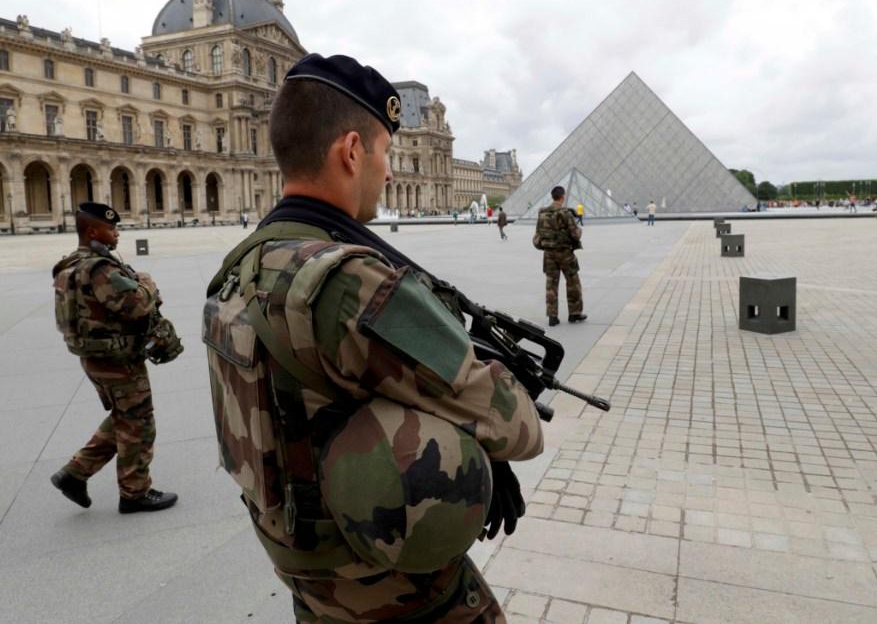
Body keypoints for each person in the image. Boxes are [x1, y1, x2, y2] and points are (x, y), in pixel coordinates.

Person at [203, 54, 544, 623]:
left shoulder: (243, 266)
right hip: (393, 594)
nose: (388, 172)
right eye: (385, 152)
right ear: (353, 151)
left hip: (308, 575)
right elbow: (517, 427)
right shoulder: (349, 284)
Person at [49, 202, 178, 513]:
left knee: (126, 414)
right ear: (93, 231)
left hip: (95, 357)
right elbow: (137, 305)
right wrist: (147, 284)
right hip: (117, 359)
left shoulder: (70, 264)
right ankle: (135, 493)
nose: (116, 234)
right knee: (139, 421)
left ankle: (75, 473)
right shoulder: (100, 269)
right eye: (111, 229)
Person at [533, 185, 586, 327]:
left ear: (553, 197)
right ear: (562, 196)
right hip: (565, 253)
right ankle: (574, 314)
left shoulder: (542, 213)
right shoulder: (565, 213)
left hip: (549, 254)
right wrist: (579, 230)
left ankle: (552, 316)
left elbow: (537, 235)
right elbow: (575, 234)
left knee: (551, 285)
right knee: (573, 282)